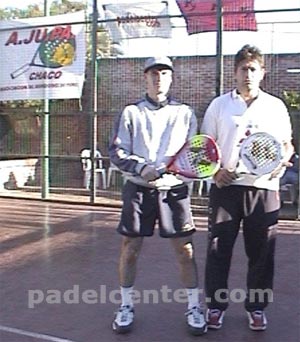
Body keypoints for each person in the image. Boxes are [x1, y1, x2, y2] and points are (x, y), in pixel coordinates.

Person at [108, 56, 207, 335]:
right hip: (138, 190)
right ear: (145, 78)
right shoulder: (130, 112)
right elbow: (116, 151)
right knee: (130, 249)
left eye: (163, 73)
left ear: (171, 77)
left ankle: (193, 307)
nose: (158, 78)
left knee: (185, 251)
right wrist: (141, 167)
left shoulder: (185, 113)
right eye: (153, 73)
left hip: (174, 191)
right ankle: (126, 306)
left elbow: (192, 153)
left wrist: (175, 172)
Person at [200, 45, 294, 331]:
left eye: (253, 69)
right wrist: (216, 173)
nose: (248, 74)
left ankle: (256, 308)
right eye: (243, 69)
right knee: (218, 250)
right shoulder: (219, 105)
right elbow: (206, 147)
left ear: (262, 73)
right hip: (226, 190)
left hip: (263, 190)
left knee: (262, 252)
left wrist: (282, 162)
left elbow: (287, 145)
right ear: (235, 72)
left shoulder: (275, 106)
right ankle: (215, 307)